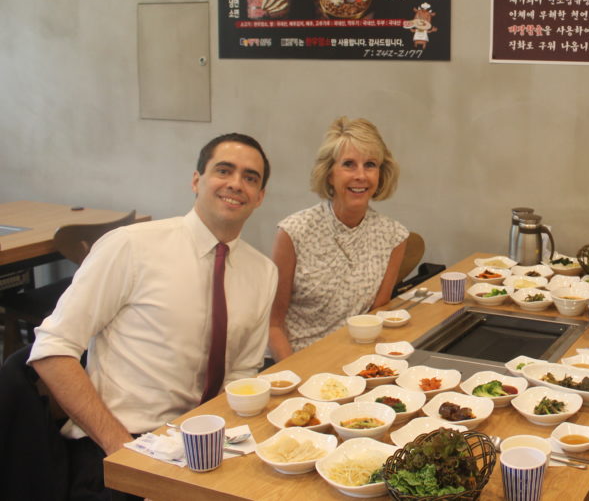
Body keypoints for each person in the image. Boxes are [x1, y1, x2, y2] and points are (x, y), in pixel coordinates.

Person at [29, 133, 277, 499]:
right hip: (118, 444)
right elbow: (52, 350)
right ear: (197, 180)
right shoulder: (131, 247)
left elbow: (240, 374)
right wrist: (126, 452)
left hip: (208, 450)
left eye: (250, 178)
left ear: (259, 197)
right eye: (224, 170)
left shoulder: (262, 272)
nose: (236, 184)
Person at [268, 116, 408, 360]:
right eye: (349, 164)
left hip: (358, 363)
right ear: (330, 173)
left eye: (370, 165)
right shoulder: (293, 233)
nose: (361, 176)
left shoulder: (394, 237)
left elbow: (376, 317)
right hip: (298, 362)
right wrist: (296, 375)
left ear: (381, 174)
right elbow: (273, 325)